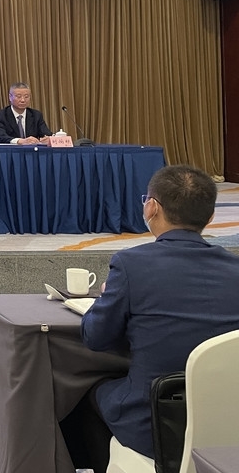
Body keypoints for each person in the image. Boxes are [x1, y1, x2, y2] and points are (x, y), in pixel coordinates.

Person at [80, 165, 239, 463]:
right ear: (210, 217)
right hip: (228, 425)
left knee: (84, 395)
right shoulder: (235, 269)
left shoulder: (130, 265)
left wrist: (106, 298)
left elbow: (95, 338)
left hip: (153, 424)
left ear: (151, 207)